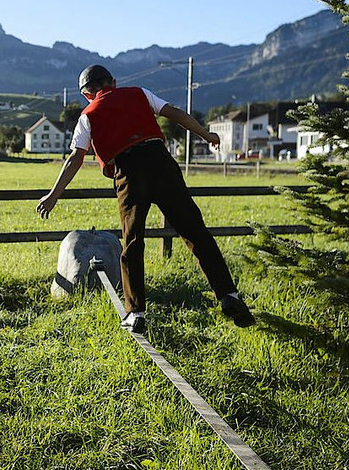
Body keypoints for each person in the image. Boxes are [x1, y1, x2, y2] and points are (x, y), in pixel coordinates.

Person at [37, 64, 256, 334]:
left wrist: (53, 194)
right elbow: (176, 114)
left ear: (86, 94)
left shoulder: (88, 114)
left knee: (133, 242)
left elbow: (75, 158)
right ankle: (229, 295)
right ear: (113, 83)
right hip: (161, 161)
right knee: (195, 231)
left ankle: (135, 312)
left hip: (129, 171)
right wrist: (206, 135)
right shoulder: (139, 93)